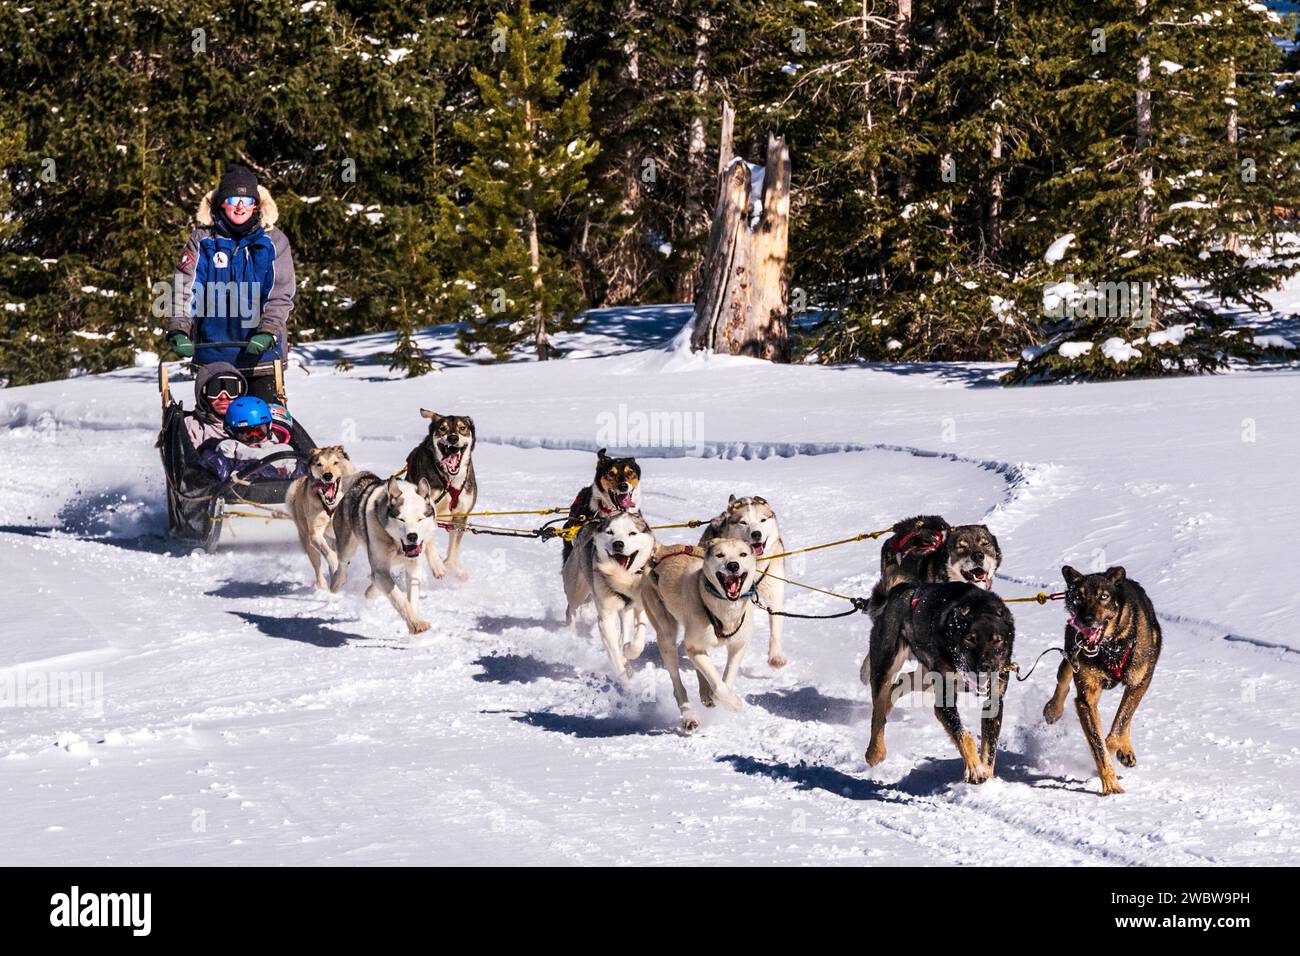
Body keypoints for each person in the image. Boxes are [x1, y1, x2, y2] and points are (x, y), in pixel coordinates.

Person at [166, 163, 297, 403]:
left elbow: (281, 294)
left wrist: (268, 330)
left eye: (246, 200)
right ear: (220, 203)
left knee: (263, 428)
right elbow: (185, 288)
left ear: (256, 204)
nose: (240, 206)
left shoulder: (274, 241)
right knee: (214, 430)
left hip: (262, 357)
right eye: (233, 198)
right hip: (213, 358)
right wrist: (178, 327)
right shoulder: (202, 240)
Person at [197, 396, 300, 482]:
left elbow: (294, 469)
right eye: (246, 432)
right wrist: (247, 467)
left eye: (259, 431)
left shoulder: (284, 449)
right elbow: (215, 461)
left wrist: (297, 473)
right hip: (245, 493)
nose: (254, 438)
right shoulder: (231, 446)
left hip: (280, 494)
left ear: (269, 428)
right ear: (232, 431)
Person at [185, 361, 247, 449]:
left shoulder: (253, 420)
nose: (224, 396)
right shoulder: (192, 427)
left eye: (231, 389)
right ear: (203, 392)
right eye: (215, 389)